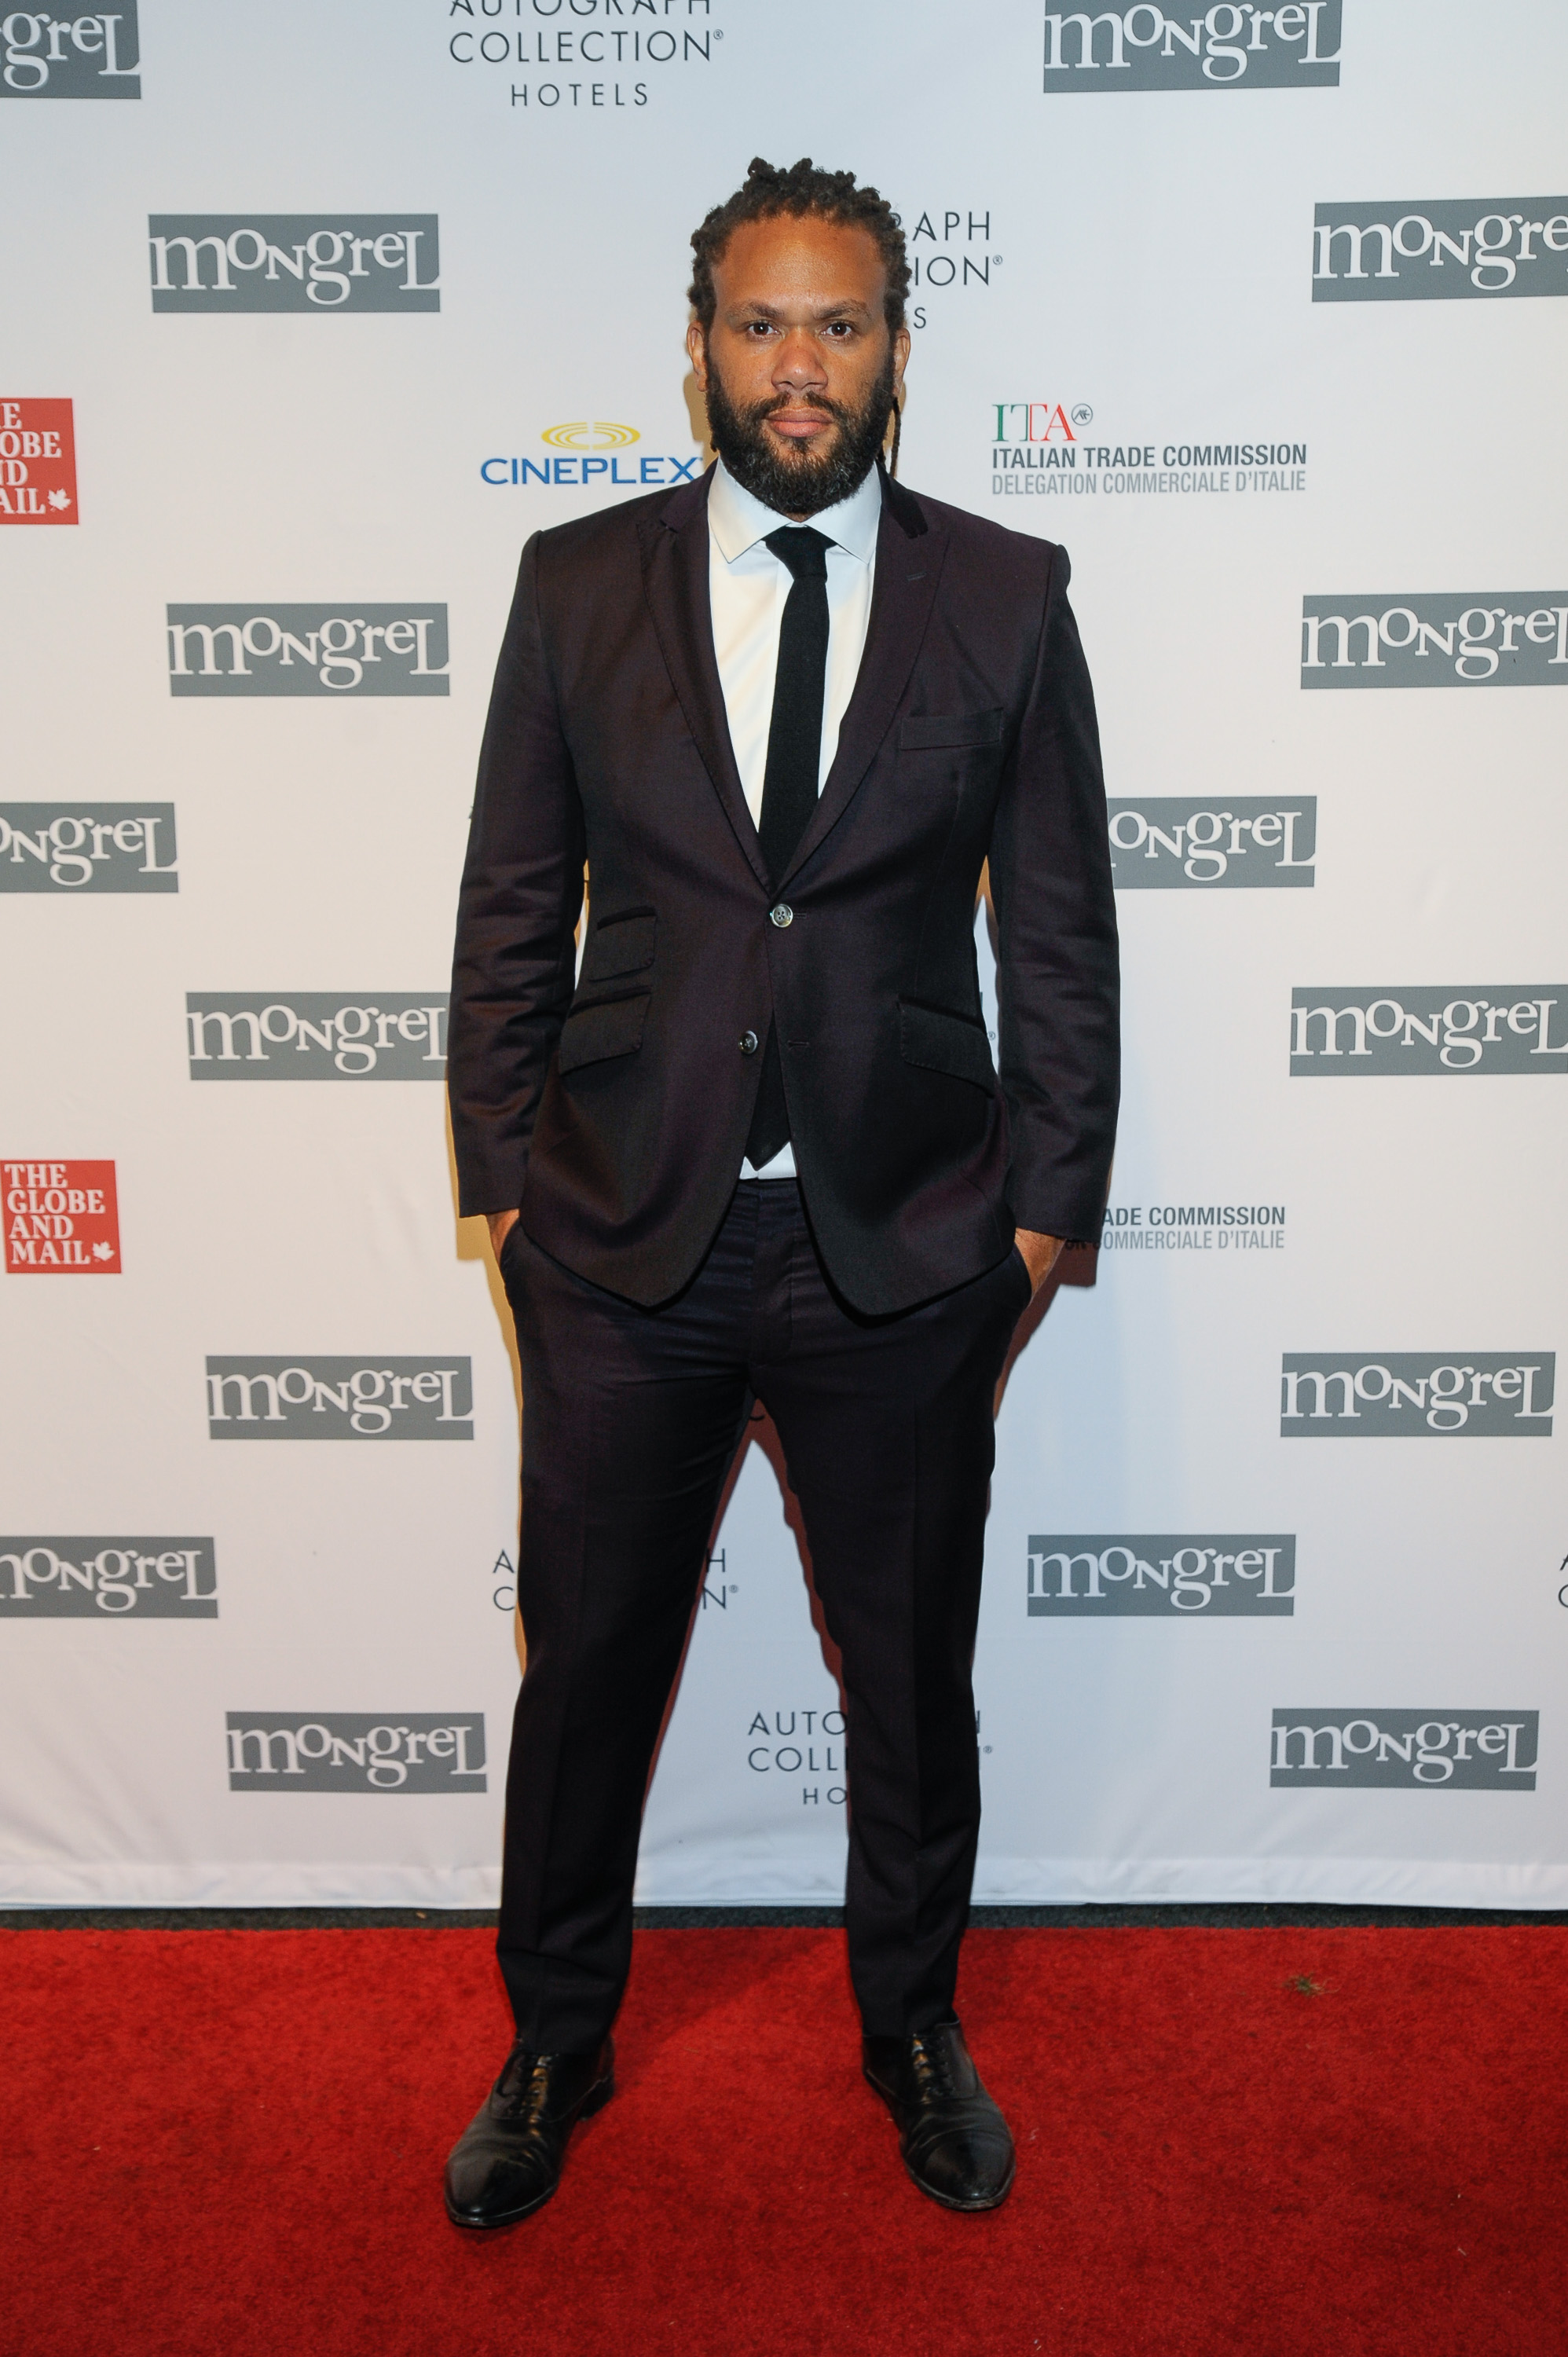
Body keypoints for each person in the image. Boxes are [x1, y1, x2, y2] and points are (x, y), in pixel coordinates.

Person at [442, 156, 1119, 2227]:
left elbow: (1065, 936)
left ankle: (910, 2024)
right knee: (588, 1675)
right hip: (623, 1236)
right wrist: (500, 1192)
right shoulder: (576, 585)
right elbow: (506, 910)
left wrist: (1039, 1213)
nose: (796, 366)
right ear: (699, 347)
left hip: (904, 1248)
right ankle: (553, 2041)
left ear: (897, 348)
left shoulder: (1004, 594)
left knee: (908, 1671)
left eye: (838, 325)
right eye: (759, 324)